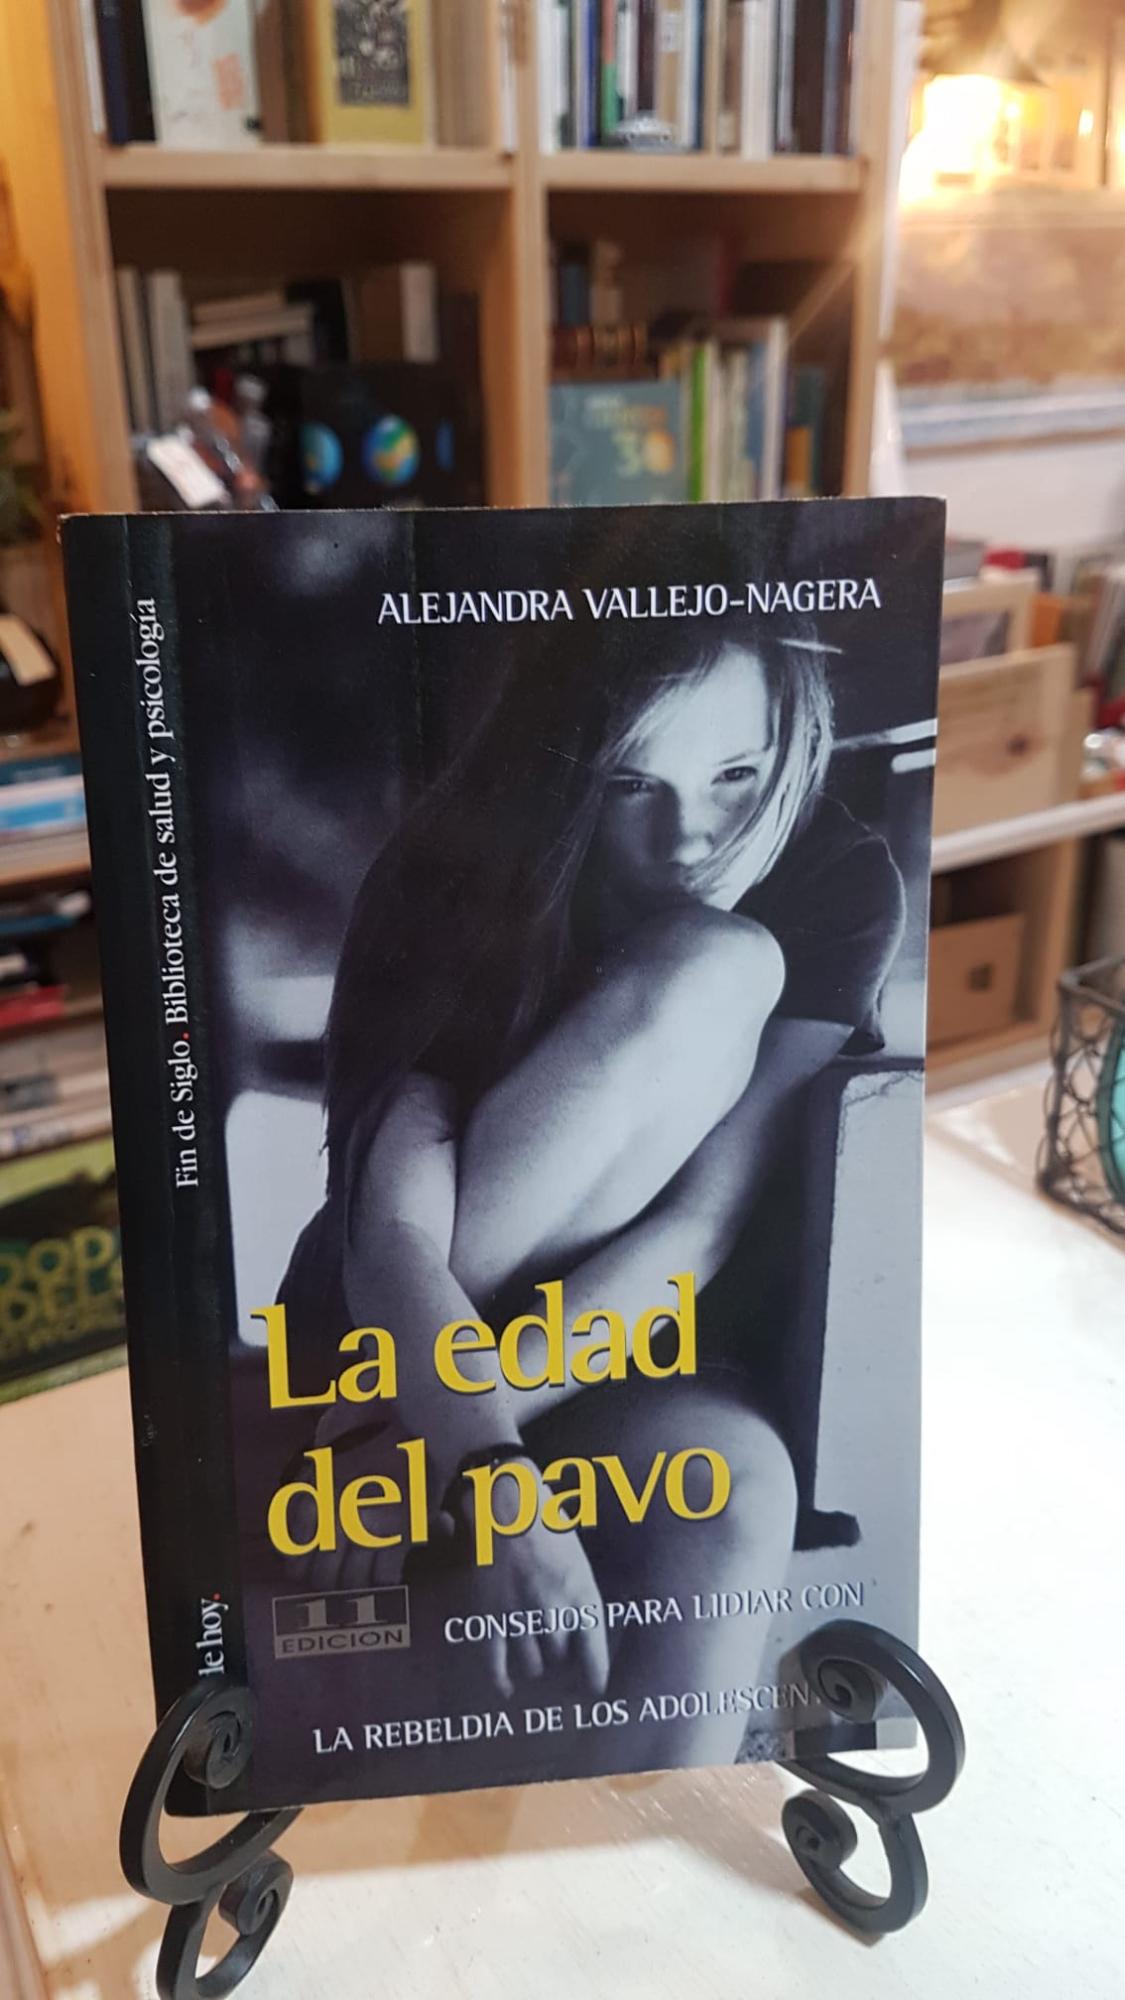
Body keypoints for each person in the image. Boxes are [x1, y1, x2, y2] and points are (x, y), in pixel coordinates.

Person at [277, 574, 905, 1776]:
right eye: (631, 783)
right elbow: (393, 1234)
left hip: (622, 1340)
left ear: (796, 738)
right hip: (391, 1331)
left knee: (742, 1494)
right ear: (568, 767)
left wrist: (446, 1443)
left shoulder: (835, 877)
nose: (689, 837)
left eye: (737, 773)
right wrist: (478, 1459)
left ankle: (648, 1873)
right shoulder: (462, 869)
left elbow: (702, 1224)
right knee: (716, 960)